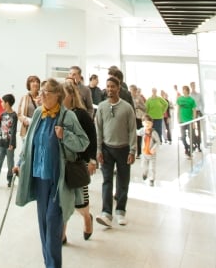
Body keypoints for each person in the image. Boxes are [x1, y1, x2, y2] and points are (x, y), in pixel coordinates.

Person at [13, 78, 89, 268]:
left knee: (53, 223)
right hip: (39, 178)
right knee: (43, 224)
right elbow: (29, 142)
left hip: (58, 180)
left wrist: (65, 135)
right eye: (42, 91)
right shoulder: (39, 113)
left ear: (58, 95)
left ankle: (53, 265)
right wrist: (19, 162)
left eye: (47, 91)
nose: (42, 94)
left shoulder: (67, 117)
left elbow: (83, 142)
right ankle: (48, 263)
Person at [95, 76, 137, 228]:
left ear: (119, 88)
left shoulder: (127, 108)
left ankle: (120, 211)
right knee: (107, 181)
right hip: (106, 149)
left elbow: (132, 130)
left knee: (123, 181)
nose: (110, 89)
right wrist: (98, 149)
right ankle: (106, 213)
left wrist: (132, 151)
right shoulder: (101, 107)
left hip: (124, 149)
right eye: (108, 86)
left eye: (113, 86)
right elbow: (98, 130)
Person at [61, 80, 97, 242]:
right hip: (61, 163)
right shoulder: (58, 113)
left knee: (80, 202)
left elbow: (92, 137)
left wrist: (92, 160)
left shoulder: (81, 114)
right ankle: (61, 234)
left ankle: (87, 218)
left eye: (65, 94)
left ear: (72, 96)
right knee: (63, 201)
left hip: (78, 163)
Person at [0, 94, 18, 188]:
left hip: (9, 144)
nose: (1, 103)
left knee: (10, 164)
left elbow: (13, 131)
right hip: (1, 143)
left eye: (2, 101)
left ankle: (10, 180)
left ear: (7, 103)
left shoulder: (14, 116)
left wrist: (12, 144)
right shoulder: (2, 115)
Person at [137, 114, 161, 186]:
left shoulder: (153, 132)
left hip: (152, 154)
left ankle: (152, 179)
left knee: (152, 168)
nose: (147, 124)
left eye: (149, 123)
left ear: (152, 124)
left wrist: (154, 148)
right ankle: (145, 173)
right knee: (144, 166)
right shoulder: (143, 130)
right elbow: (137, 132)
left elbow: (158, 142)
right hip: (144, 153)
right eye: (145, 123)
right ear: (142, 123)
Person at [175, 85, 197, 159]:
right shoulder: (179, 99)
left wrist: (194, 122)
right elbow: (177, 109)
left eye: (185, 90)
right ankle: (186, 147)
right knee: (183, 137)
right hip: (182, 121)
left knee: (191, 137)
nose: (184, 91)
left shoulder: (191, 100)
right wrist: (177, 118)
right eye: (183, 90)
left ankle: (190, 152)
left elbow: (194, 111)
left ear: (188, 91)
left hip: (190, 121)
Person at [18, 75, 41, 140]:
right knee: (26, 149)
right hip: (27, 128)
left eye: (37, 82)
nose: (35, 83)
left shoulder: (42, 97)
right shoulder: (24, 98)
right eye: (33, 81)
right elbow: (19, 114)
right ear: (29, 84)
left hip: (39, 128)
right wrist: (23, 120)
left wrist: (41, 103)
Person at [129, 84, 146, 158]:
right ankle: (131, 150)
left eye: (132, 90)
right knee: (131, 134)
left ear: (135, 90)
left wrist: (138, 105)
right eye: (130, 90)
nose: (131, 91)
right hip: (131, 117)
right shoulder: (128, 98)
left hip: (138, 117)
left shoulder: (139, 98)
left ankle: (139, 152)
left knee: (139, 134)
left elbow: (144, 108)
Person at [190, 81, 204, 151]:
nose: (193, 86)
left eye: (194, 85)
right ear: (190, 86)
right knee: (192, 129)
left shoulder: (199, 95)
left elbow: (202, 104)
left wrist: (201, 111)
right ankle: (194, 143)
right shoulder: (189, 96)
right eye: (192, 85)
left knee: (198, 129)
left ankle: (199, 145)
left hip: (198, 112)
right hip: (192, 113)